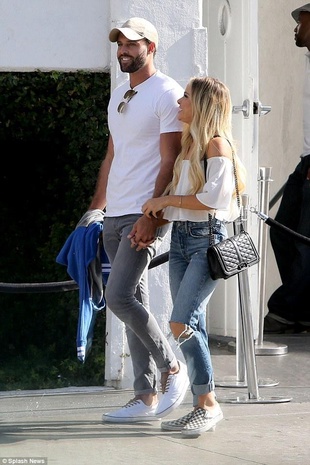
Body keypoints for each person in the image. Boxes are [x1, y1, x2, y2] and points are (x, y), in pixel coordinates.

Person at [86, 17, 189, 423]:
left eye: (132, 43)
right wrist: (96, 207)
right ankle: (144, 397)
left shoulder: (167, 93)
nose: (123, 50)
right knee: (135, 301)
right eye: (120, 44)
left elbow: (171, 160)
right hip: (115, 213)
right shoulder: (118, 95)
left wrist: (154, 214)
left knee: (119, 297)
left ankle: (171, 370)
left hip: (142, 214)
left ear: (151, 47)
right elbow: (113, 156)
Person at [140, 76, 247, 437]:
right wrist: (150, 223)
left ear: (202, 104)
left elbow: (214, 201)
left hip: (206, 243)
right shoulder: (189, 147)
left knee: (180, 322)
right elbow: (183, 207)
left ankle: (209, 405)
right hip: (184, 241)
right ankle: (202, 405)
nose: (178, 103)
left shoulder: (217, 146)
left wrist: (165, 200)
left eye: (185, 97)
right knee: (192, 325)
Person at [264, 3, 310, 334]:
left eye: (302, 22)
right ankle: (301, 309)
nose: (295, 27)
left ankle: (285, 310)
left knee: (305, 242)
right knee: (282, 232)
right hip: (305, 160)